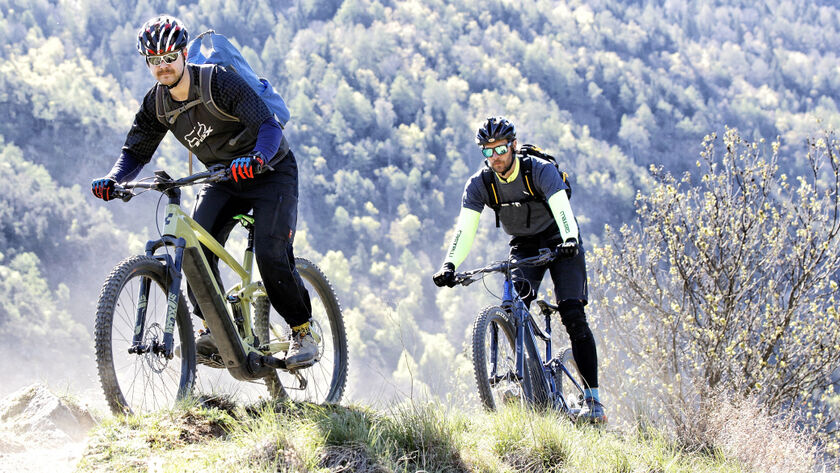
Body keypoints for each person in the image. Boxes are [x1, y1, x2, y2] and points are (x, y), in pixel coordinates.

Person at [90, 15, 316, 369]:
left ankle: (302, 331)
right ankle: (213, 327)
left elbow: (268, 125)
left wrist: (257, 157)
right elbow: (135, 151)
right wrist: (113, 179)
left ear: (183, 53)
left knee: (271, 254)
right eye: (154, 60)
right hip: (223, 178)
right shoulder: (158, 104)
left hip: (271, 171)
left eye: (168, 57)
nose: (162, 66)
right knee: (194, 249)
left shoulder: (219, 82)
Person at [432, 116, 606, 423]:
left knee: (573, 314)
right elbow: (465, 229)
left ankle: (593, 400)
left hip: (560, 240)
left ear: (513, 145)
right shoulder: (480, 185)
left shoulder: (539, 171)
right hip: (524, 245)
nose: (495, 156)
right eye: (487, 151)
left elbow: (562, 209)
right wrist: (450, 264)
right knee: (513, 310)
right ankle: (518, 382)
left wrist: (568, 239)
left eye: (500, 148)